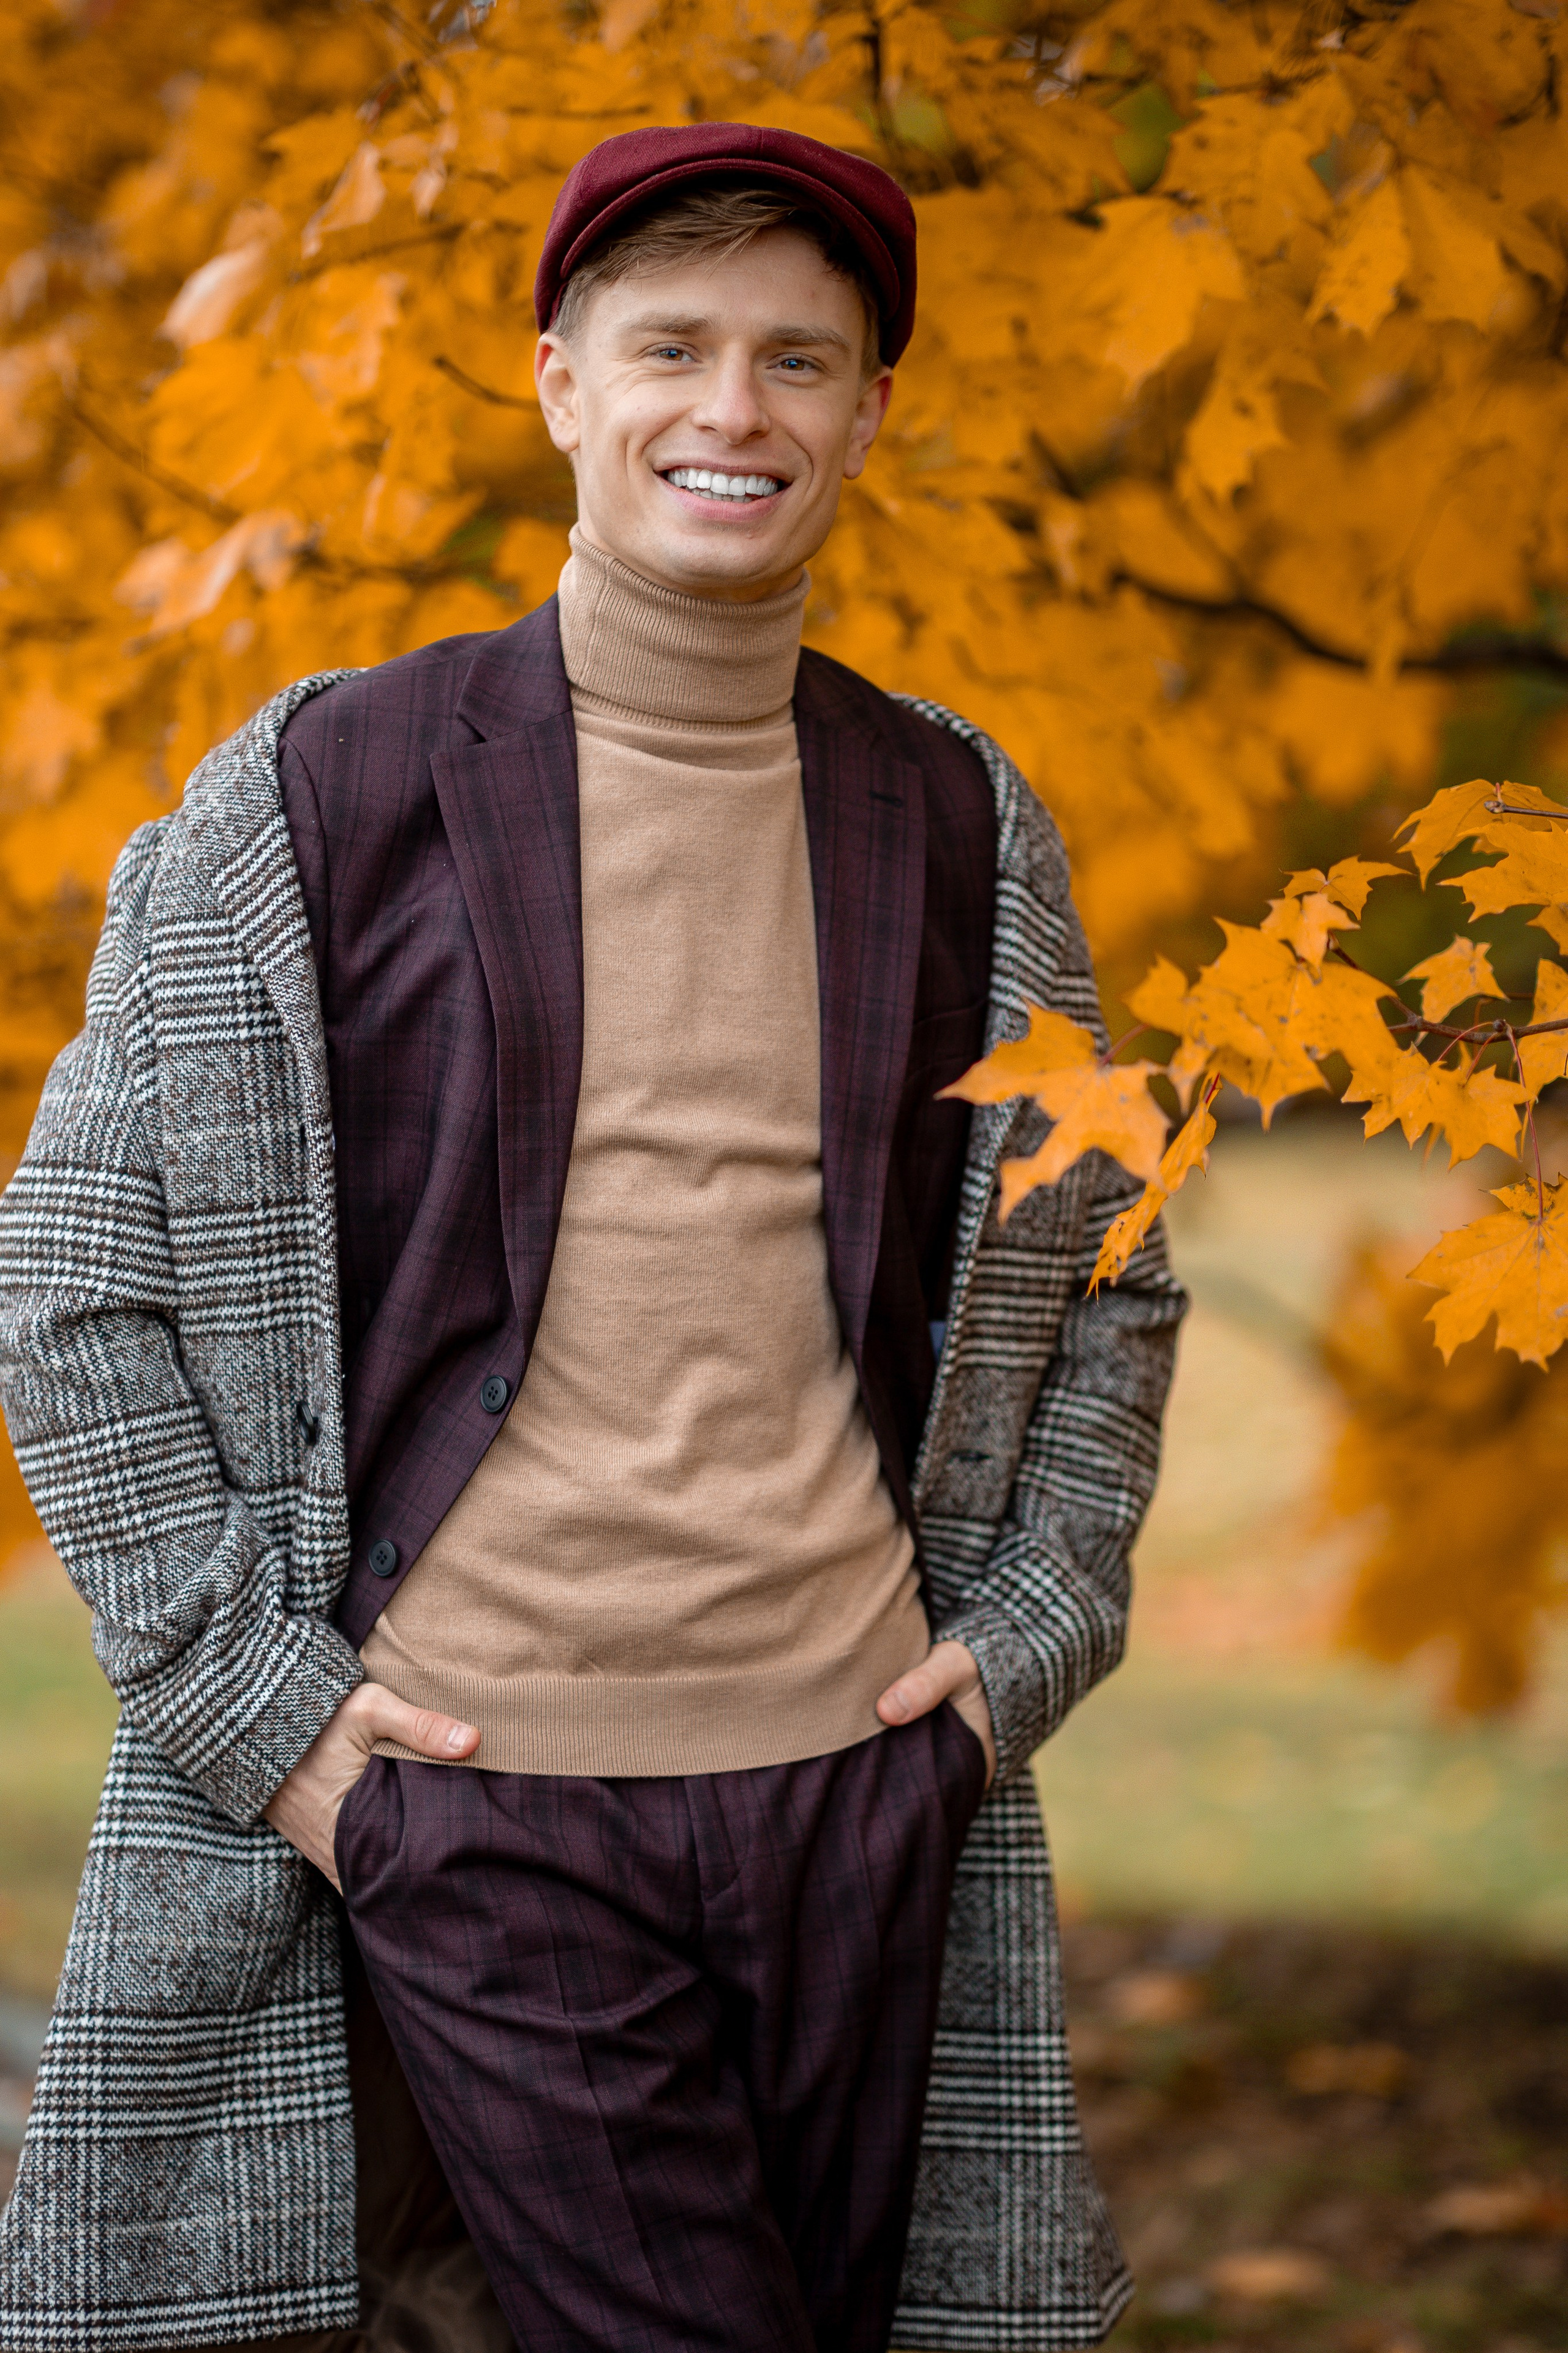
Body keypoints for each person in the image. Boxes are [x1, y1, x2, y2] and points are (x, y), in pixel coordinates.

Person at [0, 123, 1185, 2353]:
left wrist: (1030, 1636)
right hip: (477, 1796)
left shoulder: (955, 817)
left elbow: (1103, 1272)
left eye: (796, 363)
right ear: (559, 381)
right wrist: (279, 1734)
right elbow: (73, 1280)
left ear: (868, 414)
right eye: (671, 349)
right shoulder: (316, 794)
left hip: (865, 1787)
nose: (732, 413)